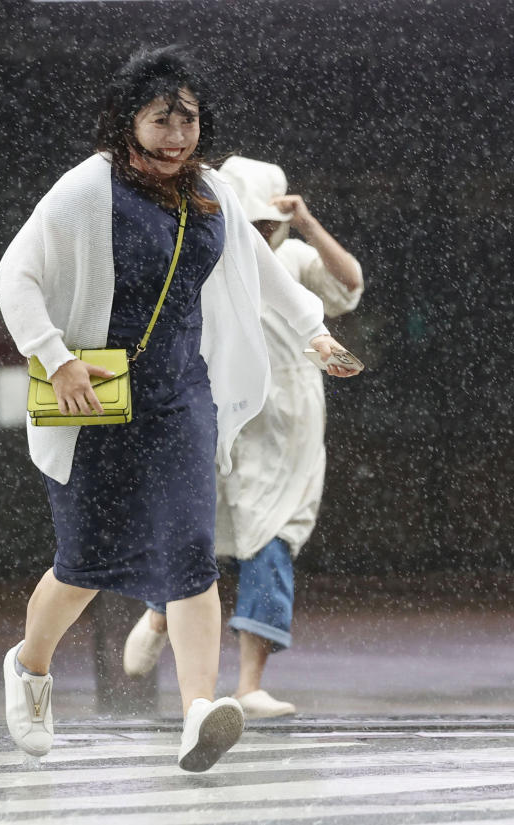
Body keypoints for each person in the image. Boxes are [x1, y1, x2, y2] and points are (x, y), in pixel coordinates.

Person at [0, 47, 360, 772]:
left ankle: (198, 710)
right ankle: (30, 666)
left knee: (192, 554)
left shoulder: (209, 192)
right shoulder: (86, 188)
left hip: (180, 396)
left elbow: (258, 273)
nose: (177, 135)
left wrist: (314, 330)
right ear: (127, 120)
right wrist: (55, 356)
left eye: (187, 120)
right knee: (84, 561)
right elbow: (15, 277)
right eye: (161, 119)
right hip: (94, 392)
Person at [122, 155, 364, 719]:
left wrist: (304, 222)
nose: (258, 235)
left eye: (267, 226)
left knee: (271, 538)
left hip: (287, 425)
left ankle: (250, 681)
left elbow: (349, 285)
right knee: (193, 522)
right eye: (249, 223)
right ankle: (159, 611)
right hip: (216, 408)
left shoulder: (295, 259)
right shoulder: (206, 252)